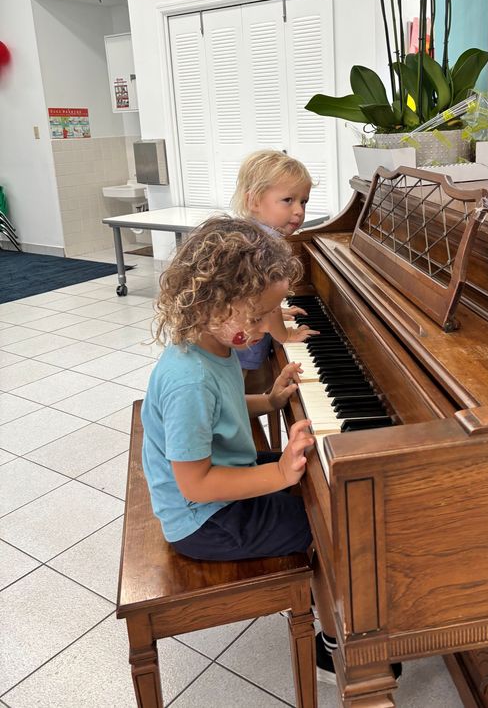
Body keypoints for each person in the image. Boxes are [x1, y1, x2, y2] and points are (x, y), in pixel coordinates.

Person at [142, 216, 342, 683]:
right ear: (211, 303)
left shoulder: (214, 345)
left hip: (222, 482)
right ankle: (331, 649)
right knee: (327, 524)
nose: (262, 329)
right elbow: (195, 483)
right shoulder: (188, 380)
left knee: (322, 480)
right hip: (203, 520)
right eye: (256, 317)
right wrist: (278, 477)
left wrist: (269, 401)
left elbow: (225, 406)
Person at [231, 150, 318, 382]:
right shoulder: (267, 246)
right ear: (254, 201)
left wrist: (278, 309)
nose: (299, 210)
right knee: (239, 395)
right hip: (241, 345)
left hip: (236, 337)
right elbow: (268, 309)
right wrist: (285, 334)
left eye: (303, 201)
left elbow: (264, 300)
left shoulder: (250, 234)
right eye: (288, 200)